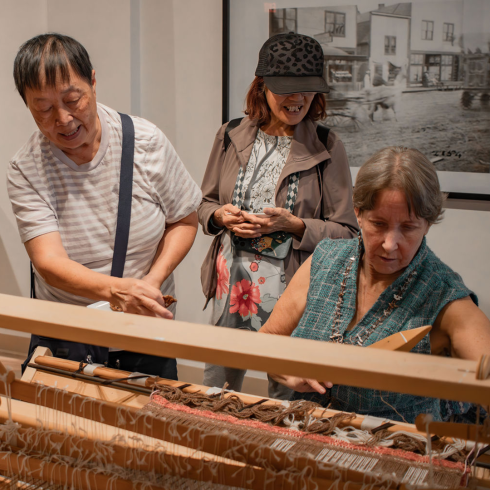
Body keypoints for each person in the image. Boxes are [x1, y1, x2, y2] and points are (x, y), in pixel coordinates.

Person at [7, 34, 201, 378]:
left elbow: (184, 219)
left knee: (148, 426)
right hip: (66, 336)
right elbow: (49, 263)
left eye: (73, 100)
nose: (63, 119)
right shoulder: (26, 167)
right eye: (44, 108)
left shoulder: (146, 141)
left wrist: (150, 285)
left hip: (144, 332)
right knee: (56, 431)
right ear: (27, 104)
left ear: (93, 82)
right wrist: (120, 291)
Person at [260, 146, 490, 422]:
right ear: (358, 213)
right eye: (378, 224)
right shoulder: (324, 262)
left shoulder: (446, 299)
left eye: (408, 227)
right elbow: (266, 342)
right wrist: (288, 369)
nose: (390, 244)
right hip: (304, 436)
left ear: (427, 224)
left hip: (392, 453)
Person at [198, 32, 359, 398]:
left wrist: (295, 225)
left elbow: (348, 232)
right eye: (287, 88)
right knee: (216, 392)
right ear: (263, 86)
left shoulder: (327, 146)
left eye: (308, 89)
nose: (298, 98)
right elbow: (205, 203)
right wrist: (220, 216)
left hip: (291, 289)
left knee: (287, 398)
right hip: (231, 285)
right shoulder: (230, 135)